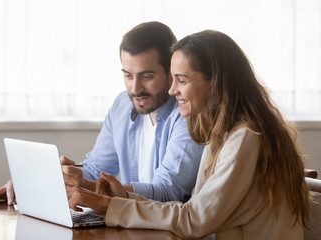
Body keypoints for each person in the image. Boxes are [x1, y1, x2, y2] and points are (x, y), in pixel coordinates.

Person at [65, 30, 310, 239]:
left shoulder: (244, 137)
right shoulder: (221, 134)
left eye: (181, 80)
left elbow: (195, 219)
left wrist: (110, 205)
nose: (173, 90)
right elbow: (192, 211)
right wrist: (124, 197)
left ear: (216, 82)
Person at [0, 21, 204, 206]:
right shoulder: (122, 106)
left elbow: (167, 192)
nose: (135, 88)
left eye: (146, 76)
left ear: (171, 73)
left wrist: (88, 188)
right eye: (128, 75)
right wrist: (36, 183)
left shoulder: (188, 114)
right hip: (130, 226)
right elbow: (94, 170)